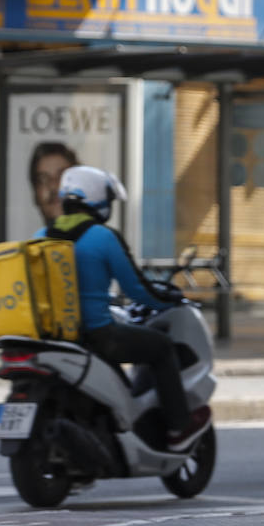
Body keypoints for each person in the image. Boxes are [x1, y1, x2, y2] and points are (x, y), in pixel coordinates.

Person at [43, 165, 211, 453]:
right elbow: (137, 289)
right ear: (97, 198)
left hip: (55, 335)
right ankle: (178, 427)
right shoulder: (103, 237)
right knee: (161, 347)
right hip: (98, 334)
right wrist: (169, 299)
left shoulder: (43, 235)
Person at [29, 142, 80, 227]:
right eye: (43, 179)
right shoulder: (33, 239)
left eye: (62, 175)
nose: (53, 187)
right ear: (35, 193)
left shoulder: (103, 239)